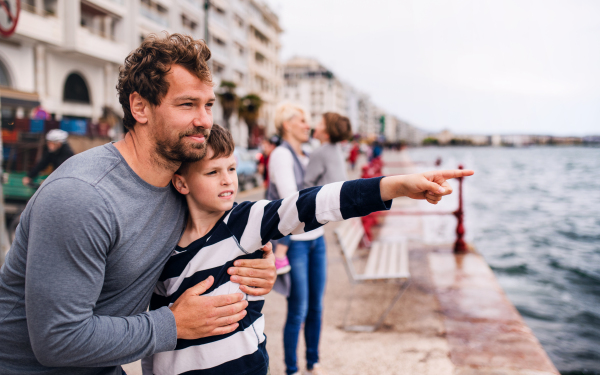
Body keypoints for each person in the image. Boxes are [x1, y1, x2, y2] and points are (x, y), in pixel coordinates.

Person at [0, 33, 276, 375]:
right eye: (187, 104)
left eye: (208, 105)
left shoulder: (180, 186)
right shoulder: (82, 197)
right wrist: (172, 325)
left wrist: (254, 264)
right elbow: (58, 339)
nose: (205, 120)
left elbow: (215, 236)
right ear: (140, 107)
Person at [144, 124, 473, 375]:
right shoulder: (156, 242)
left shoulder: (245, 221)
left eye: (231, 169)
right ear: (181, 182)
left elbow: (313, 203)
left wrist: (398, 185)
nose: (228, 180)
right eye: (213, 172)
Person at [304, 112, 352, 187]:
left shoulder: (320, 152)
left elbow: (307, 183)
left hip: (325, 198)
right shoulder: (337, 149)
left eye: (320, 124)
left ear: (327, 134)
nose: (316, 125)